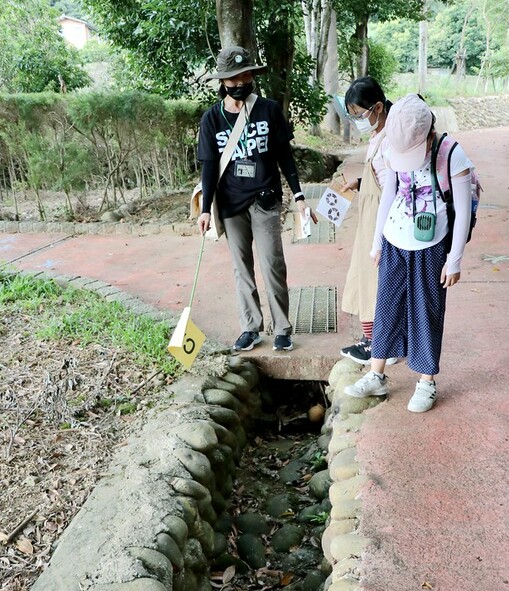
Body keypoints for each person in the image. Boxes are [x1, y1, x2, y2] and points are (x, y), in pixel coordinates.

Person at [345, 93, 473, 413]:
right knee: (386, 306)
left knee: (426, 311)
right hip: (394, 238)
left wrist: (454, 259)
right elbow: (390, 194)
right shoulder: (391, 143)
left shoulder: (451, 154)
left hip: (431, 246)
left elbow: (464, 210)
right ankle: (377, 374)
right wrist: (377, 243)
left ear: (429, 133)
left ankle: (426, 380)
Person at [197, 46, 317, 353]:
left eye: (246, 75)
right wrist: (206, 209)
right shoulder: (211, 119)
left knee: (272, 263)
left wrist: (300, 195)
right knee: (242, 268)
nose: (241, 83)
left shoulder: (268, 109)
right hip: (230, 204)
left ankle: (282, 328)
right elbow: (209, 167)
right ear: (223, 82)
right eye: (234, 78)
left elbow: (284, 157)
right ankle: (251, 327)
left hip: (265, 198)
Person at [339, 77, 396, 365]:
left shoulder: (390, 140)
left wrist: (380, 236)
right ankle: (373, 340)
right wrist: (361, 182)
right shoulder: (379, 136)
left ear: (377, 107)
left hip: (381, 220)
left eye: (360, 114)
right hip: (370, 215)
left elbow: (393, 188)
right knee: (365, 276)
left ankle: (378, 344)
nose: (358, 121)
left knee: (374, 280)